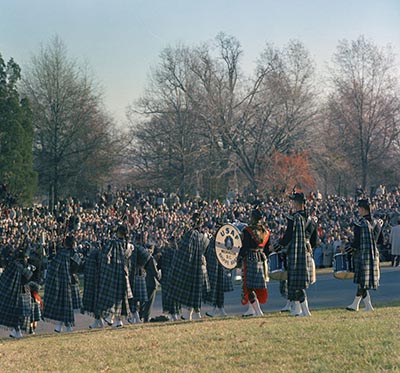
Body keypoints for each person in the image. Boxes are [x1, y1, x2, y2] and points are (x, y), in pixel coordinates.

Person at [278, 192, 318, 317]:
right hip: (306, 251)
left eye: (293, 201)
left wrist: (277, 246)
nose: (292, 204)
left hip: (295, 252)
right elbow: (315, 241)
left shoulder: (293, 218)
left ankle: (305, 311)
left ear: (297, 203)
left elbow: (288, 236)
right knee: (298, 282)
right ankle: (297, 309)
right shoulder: (312, 220)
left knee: (296, 282)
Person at [165, 212, 210, 321]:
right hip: (201, 266)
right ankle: (193, 314)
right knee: (196, 291)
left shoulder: (189, 235)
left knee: (192, 291)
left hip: (191, 267)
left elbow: (182, 252)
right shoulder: (204, 237)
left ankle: (193, 314)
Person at [346, 198, 383, 312]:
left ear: (362, 209)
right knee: (364, 281)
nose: (358, 210)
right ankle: (368, 306)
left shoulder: (359, 223)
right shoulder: (377, 223)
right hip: (374, 254)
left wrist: (347, 248)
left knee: (363, 281)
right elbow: (381, 240)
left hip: (362, 255)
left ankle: (355, 304)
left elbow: (356, 243)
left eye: (359, 208)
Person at [42, 234, 83, 333]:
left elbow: (53, 266)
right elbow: (77, 266)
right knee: (67, 305)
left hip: (62, 282)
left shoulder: (61, 254)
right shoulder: (74, 254)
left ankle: (62, 326)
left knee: (64, 305)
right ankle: (62, 326)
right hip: (71, 280)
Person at [97, 223, 134, 328]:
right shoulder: (129, 245)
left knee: (113, 296)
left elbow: (106, 256)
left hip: (114, 273)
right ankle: (118, 320)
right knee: (121, 297)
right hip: (124, 273)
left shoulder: (113, 243)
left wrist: (106, 267)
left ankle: (110, 317)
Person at [237, 208, 270, 317]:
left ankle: (258, 311)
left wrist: (239, 258)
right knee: (257, 286)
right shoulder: (266, 232)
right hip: (261, 258)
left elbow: (245, 247)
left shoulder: (248, 231)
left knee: (249, 286)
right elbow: (267, 249)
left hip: (250, 258)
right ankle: (252, 310)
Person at [0, 244, 34, 338]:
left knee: (19, 313)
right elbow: (29, 276)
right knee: (20, 313)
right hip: (20, 291)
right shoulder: (20, 266)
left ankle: (17, 331)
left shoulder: (13, 264)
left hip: (18, 291)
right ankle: (17, 331)